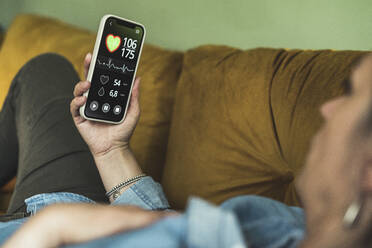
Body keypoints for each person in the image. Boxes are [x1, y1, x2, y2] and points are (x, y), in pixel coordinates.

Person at [0, 51, 370, 248]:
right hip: (71, 208)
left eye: (350, 94)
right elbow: (163, 223)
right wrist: (111, 150)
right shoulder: (293, 224)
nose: (327, 108)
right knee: (45, 69)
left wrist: (45, 233)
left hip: (37, 232)